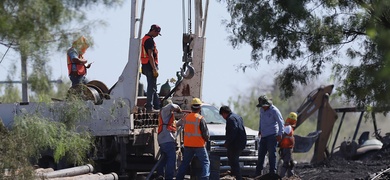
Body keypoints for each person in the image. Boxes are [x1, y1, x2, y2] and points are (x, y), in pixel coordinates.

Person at [176, 98, 210, 180]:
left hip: (188, 145)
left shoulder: (186, 117)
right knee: (205, 162)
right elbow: (205, 134)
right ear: (199, 108)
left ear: (191, 107)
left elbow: (177, 124)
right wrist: (206, 140)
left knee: (185, 163)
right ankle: (205, 178)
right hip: (199, 145)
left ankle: (179, 178)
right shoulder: (200, 118)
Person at [253, 95, 284, 177]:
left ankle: (272, 172)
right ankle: (258, 173)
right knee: (261, 155)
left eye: (264, 105)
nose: (263, 107)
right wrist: (260, 130)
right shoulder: (261, 110)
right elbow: (261, 120)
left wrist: (280, 134)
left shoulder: (274, 111)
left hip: (272, 135)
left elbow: (281, 123)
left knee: (272, 155)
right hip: (263, 136)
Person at [156, 98, 182, 180]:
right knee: (171, 158)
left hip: (165, 139)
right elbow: (171, 106)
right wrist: (178, 108)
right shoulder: (164, 110)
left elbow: (173, 125)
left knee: (164, 158)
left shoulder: (167, 116)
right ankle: (168, 177)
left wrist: (182, 121)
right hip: (167, 139)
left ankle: (160, 175)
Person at [219, 105, 247, 180]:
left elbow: (233, 131)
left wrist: (227, 142)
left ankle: (238, 177)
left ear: (224, 113)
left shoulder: (230, 119)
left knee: (234, 161)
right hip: (240, 143)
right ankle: (234, 174)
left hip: (235, 144)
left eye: (222, 115)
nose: (223, 117)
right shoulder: (238, 117)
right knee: (232, 159)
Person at [141, 24, 162, 112]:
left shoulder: (144, 39)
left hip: (145, 65)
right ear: (153, 31)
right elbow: (150, 55)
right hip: (150, 66)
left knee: (153, 87)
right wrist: (154, 68)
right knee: (151, 87)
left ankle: (157, 105)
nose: (157, 35)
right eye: (157, 33)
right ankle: (150, 106)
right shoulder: (149, 40)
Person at [279, 112, 297, 178]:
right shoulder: (288, 127)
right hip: (287, 149)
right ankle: (282, 177)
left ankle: (291, 176)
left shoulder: (286, 126)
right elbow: (283, 136)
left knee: (290, 163)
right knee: (286, 164)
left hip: (286, 148)